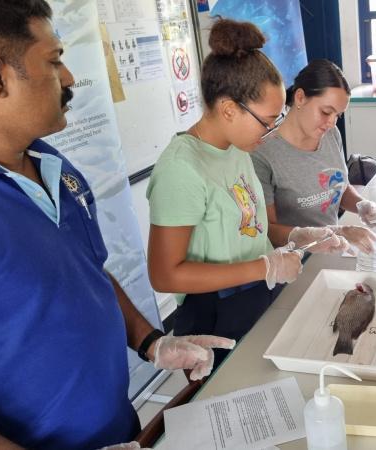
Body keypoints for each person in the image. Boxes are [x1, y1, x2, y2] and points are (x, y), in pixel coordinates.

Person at [0, 2, 232, 449]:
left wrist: (150, 342)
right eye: (53, 60)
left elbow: (87, 269)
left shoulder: (49, 162)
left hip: (120, 431)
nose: (69, 78)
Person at [146, 18, 303, 370]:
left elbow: (244, 229)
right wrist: (264, 266)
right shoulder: (181, 168)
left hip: (255, 294)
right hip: (214, 313)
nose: (271, 132)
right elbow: (165, 274)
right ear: (229, 109)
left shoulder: (237, 148)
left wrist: (297, 238)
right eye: (267, 121)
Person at [250, 59, 376, 256]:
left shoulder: (331, 134)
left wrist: (361, 205)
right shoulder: (262, 153)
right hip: (294, 261)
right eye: (326, 112)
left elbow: (338, 187)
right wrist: (337, 232)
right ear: (300, 97)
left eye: (338, 115)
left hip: (333, 251)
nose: (331, 122)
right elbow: (268, 231)